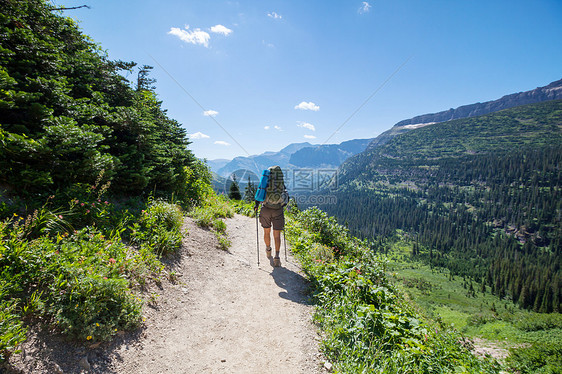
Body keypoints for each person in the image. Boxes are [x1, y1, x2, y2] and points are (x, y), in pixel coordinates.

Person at [254, 166, 288, 267]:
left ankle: (268, 250)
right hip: (278, 210)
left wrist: (256, 206)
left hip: (266, 210)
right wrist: (281, 206)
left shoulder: (265, 182)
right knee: (277, 235)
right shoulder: (281, 184)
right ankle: (277, 257)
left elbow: (259, 194)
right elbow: (286, 199)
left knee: (266, 232)